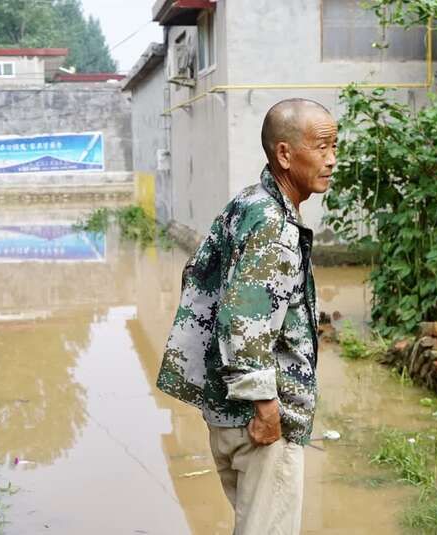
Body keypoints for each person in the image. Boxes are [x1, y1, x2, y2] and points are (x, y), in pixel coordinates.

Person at [157, 98, 336, 534]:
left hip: (229, 411)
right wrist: (265, 405)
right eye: (322, 147)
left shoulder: (249, 203)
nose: (333, 160)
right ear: (285, 154)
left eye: (336, 147)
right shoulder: (273, 225)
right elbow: (244, 319)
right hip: (258, 418)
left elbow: (199, 280)